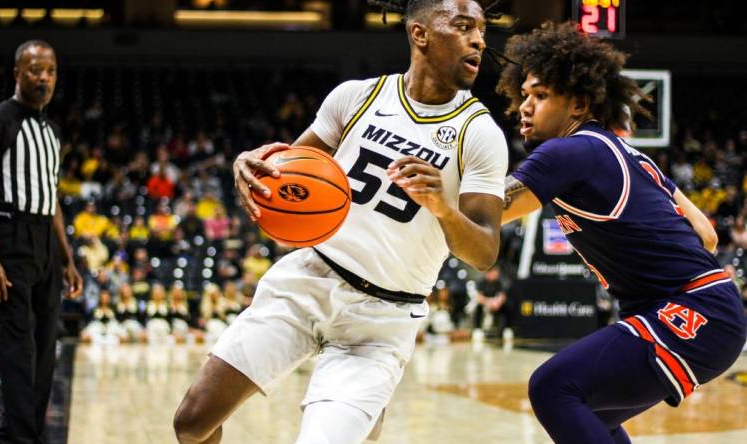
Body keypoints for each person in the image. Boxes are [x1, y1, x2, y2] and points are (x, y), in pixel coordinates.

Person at [173, 1, 508, 442]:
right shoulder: (358, 96)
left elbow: (484, 252)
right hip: (309, 278)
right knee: (192, 422)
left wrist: (443, 207)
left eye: (482, 30)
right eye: (463, 27)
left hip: (382, 316)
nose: (479, 40)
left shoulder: (478, 133)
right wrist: (249, 165)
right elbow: (285, 178)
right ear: (420, 34)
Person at [496, 22, 746, 443]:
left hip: (688, 312)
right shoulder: (627, 153)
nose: (524, 106)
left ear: (577, 106)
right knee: (595, 413)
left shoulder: (568, 149)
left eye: (540, 96)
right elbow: (706, 234)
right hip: (714, 310)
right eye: (524, 96)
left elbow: (490, 210)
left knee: (553, 388)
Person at [0, 40, 83, 444]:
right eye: (35, 70)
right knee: (17, 352)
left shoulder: (50, 130)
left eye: (49, 71)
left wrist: (67, 258)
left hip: (44, 244)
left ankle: (15, 437)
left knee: (46, 350)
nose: (43, 78)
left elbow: (51, 200)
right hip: (8, 239)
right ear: (17, 73)